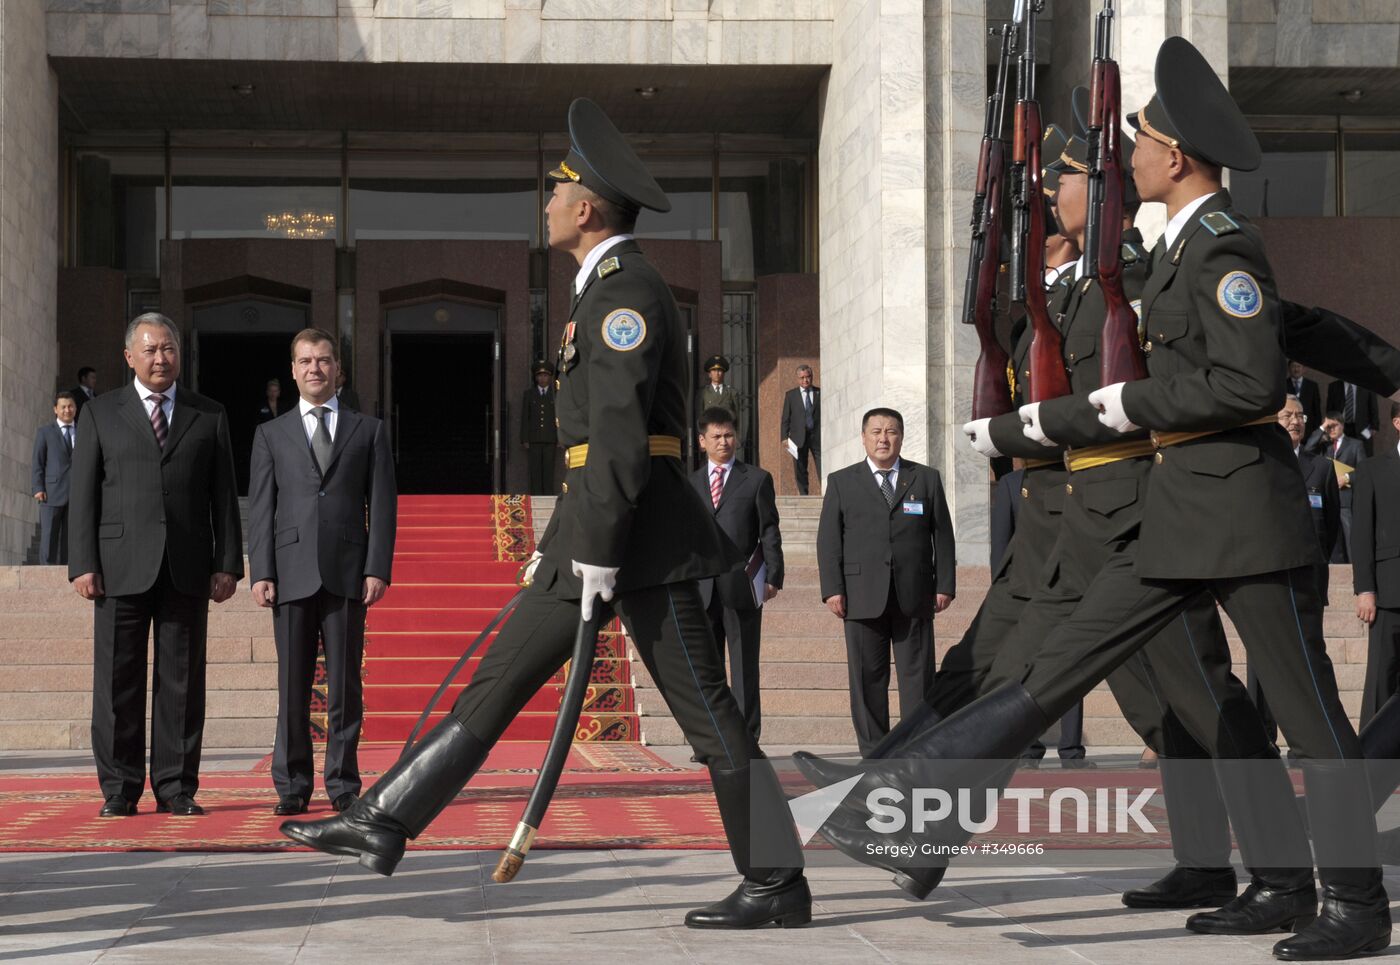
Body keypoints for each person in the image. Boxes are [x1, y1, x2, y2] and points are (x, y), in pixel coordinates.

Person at [811, 39, 1391, 959]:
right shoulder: (1184, 250)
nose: (1133, 157)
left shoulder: (1223, 243)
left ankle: (1354, 902)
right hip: (1177, 515)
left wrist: (1119, 406)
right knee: (1060, 665)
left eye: (1143, 143)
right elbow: (1292, 326)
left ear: (1178, 158)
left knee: (1307, 711)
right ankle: (904, 804)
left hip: (1246, 517)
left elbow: (1248, 378)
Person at [280, 98, 811, 930]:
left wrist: (595, 543)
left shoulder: (625, 291)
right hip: (595, 534)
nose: (548, 202)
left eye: (558, 190)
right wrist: (568, 539)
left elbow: (622, 436)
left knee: (710, 712)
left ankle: (777, 878)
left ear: (588, 208)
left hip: (643, 542)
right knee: (499, 678)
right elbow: (592, 450)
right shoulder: (598, 288)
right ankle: (383, 818)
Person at [68, 312, 242, 819]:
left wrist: (227, 562)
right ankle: (119, 788)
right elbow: (84, 494)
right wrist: (83, 563)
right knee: (116, 681)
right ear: (129, 357)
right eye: (150, 350)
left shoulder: (208, 414)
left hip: (187, 566)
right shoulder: (100, 413)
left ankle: (175, 786)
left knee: (182, 682)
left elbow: (223, 495)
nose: (161, 358)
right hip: (118, 566)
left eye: (168, 349)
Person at [248, 327, 397, 817]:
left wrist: (377, 567)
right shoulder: (271, 434)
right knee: (293, 685)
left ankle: (342, 782)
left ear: (339, 370)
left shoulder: (368, 430)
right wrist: (261, 571)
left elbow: (383, 505)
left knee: (345, 686)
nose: (315, 368)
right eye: (306, 361)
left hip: (348, 572)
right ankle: (292, 784)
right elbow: (262, 508)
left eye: (324, 360)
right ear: (293, 371)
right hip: (290, 573)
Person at [816, 407, 954, 755]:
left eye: (891, 431)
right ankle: (874, 755)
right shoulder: (842, 481)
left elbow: (943, 535)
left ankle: (915, 751)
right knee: (867, 681)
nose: (883, 438)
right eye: (876, 432)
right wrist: (832, 589)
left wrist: (944, 584)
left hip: (914, 594)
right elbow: (829, 541)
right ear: (863, 438)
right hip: (861, 595)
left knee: (918, 680)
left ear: (901, 437)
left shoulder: (925, 478)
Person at [1249, 395, 1340, 751]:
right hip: (1266, 576)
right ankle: (1262, 737)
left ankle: (1311, 741)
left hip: (1308, 579)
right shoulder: (1259, 461)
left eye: (1300, 415)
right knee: (1264, 658)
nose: (1295, 421)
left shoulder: (1322, 468)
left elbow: (1330, 526)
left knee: (1309, 657)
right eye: (1287, 415)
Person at [689, 406, 783, 741]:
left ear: (737, 437)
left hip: (742, 586)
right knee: (707, 669)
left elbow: (769, 530)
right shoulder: (690, 484)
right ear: (702, 441)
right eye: (716, 436)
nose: (723, 441)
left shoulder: (756, 479)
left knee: (744, 667)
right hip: (701, 589)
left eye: (729, 435)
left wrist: (773, 576)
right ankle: (712, 739)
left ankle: (746, 739)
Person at [990, 461, 1091, 770]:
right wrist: (1003, 593)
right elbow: (1001, 544)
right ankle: (1028, 749)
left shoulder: (1076, 476)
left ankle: (1071, 751)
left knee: (1070, 668)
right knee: (1024, 672)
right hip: (1026, 593)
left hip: (1069, 587)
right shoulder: (1011, 484)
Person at [1353, 401, 1400, 726]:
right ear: (1397, 422)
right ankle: (1371, 748)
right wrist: (1365, 589)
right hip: (1388, 592)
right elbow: (1361, 534)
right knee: (1382, 678)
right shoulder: (1373, 469)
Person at [1306, 411, 1366, 561]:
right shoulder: (1323, 445)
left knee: (1350, 536)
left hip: (1345, 498)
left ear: (1342, 426)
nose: (1331, 429)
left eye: (1334, 425)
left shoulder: (1355, 444)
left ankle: (1355, 565)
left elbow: (1364, 470)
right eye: (1329, 426)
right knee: (1331, 536)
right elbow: (1307, 449)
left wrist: (1347, 478)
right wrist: (1322, 428)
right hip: (1328, 498)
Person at [31, 390, 78, 565]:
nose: (67, 410)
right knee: (49, 536)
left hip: (76, 493)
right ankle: (46, 572)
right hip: (51, 493)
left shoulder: (84, 430)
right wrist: (38, 488)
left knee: (71, 538)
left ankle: (69, 571)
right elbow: (38, 461)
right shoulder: (45, 432)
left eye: (70, 406)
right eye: (63, 407)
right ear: (55, 409)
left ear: (75, 408)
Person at [780, 365, 820, 495]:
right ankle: (804, 494)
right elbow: (785, 418)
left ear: (812, 377)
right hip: (798, 437)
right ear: (797, 379)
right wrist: (784, 437)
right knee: (800, 467)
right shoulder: (791, 395)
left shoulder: (819, 393)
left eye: (808, 377)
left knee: (822, 465)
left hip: (817, 436)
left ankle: (826, 490)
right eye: (802, 378)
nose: (805, 380)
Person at [520, 359, 558, 495]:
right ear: (536, 378)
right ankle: (535, 496)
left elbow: (559, 417)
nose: (543, 378)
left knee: (548, 470)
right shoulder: (529, 394)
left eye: (546, 375)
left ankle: (548, 496)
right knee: (535, 470)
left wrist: (561, 437)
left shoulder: (556, 394)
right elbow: (525, 417)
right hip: (534, 439)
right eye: (540, 375)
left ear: (550, 377)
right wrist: (524, 438)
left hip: (551, 438)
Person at [1327, 378, 1378, 455]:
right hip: (1340, 428)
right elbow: (1329, 411)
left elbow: (1373, 409)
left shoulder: (1367, 387)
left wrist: (1373, 429)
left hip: (1362, 430)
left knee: (1362, 457)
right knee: (1339, 456)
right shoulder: (1334, 386)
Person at [698, 354, 740, 427]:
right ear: (709, 374)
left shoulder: (732, 393)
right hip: (710, 430)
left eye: (720, 370)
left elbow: (736, 417)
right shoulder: (703, 393)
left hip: (726, 429)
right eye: (714, 370)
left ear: (723, 374)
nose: (717, 373)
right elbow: (699, 417)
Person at [1288, 360, 1322, 432]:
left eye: (1298, 366)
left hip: (1309, 428)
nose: (1296, 369)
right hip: (1289, 426)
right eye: (1293, 366)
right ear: (1289, 368)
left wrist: (1317, 430)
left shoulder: (1312, 386)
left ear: (1304, 369)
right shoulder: (1283, 384)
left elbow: (1317, 410)